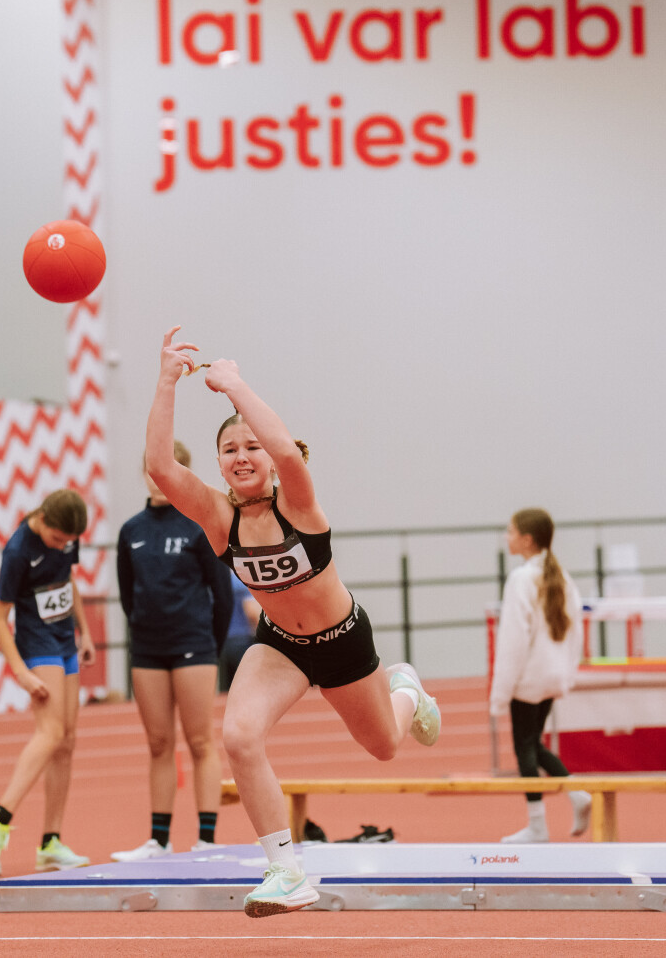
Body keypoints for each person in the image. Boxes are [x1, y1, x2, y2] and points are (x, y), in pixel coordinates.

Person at [144, 327, 439, 918]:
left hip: (342, 640)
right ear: (220, 464)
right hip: (281, 645)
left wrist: (234, 386)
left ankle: (405, 687)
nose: (242, 457)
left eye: (250, 447)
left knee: (384, 746)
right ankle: (285, 872)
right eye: (230, 450)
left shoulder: (296, 502)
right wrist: (167, 381)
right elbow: (159, 467)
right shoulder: (218, 518)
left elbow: (284, 449)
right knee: (238, 735)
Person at [112, 444, 236, 860]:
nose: (158, 479)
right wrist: (144, 631)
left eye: (167, 471)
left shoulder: (198, 526)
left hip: (194, 647)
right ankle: (159, 841)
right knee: (158, 743)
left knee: (200, 742)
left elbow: (222, 596)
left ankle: (206, 840)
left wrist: (209, 646)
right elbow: (128, 596)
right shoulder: (131, 531)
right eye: (152, 471)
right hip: (148, 650)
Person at [0, 489, 96, 877]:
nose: (62, 545)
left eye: (68, 541)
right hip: (36, 643)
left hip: (64, 640)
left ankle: (50, 843)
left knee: (67, 740)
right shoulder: (18, 551)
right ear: (42, 519)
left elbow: (67, 580)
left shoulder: (66, 539)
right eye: (57, 539)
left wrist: (84, 631)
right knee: (51, 731)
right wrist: (20, 672)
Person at [489, 508, 589, 843]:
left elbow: (513, 641)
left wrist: (500, 694)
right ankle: (577, 794)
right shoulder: (562, 577)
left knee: (524, 749)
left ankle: (537, 826)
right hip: (551, 675)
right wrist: (566, 674)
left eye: (510, 531)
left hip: (529, 678)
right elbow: (576, 632)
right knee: (533, 743)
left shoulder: (521, 579)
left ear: (527, 540)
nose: (506, 537)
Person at [218, 574, 260, 692]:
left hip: (222, 641)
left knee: (226, 688)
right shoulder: (242, 581)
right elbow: (252, 611)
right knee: (249, 686)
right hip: (242, 640)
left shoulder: (221, 581)